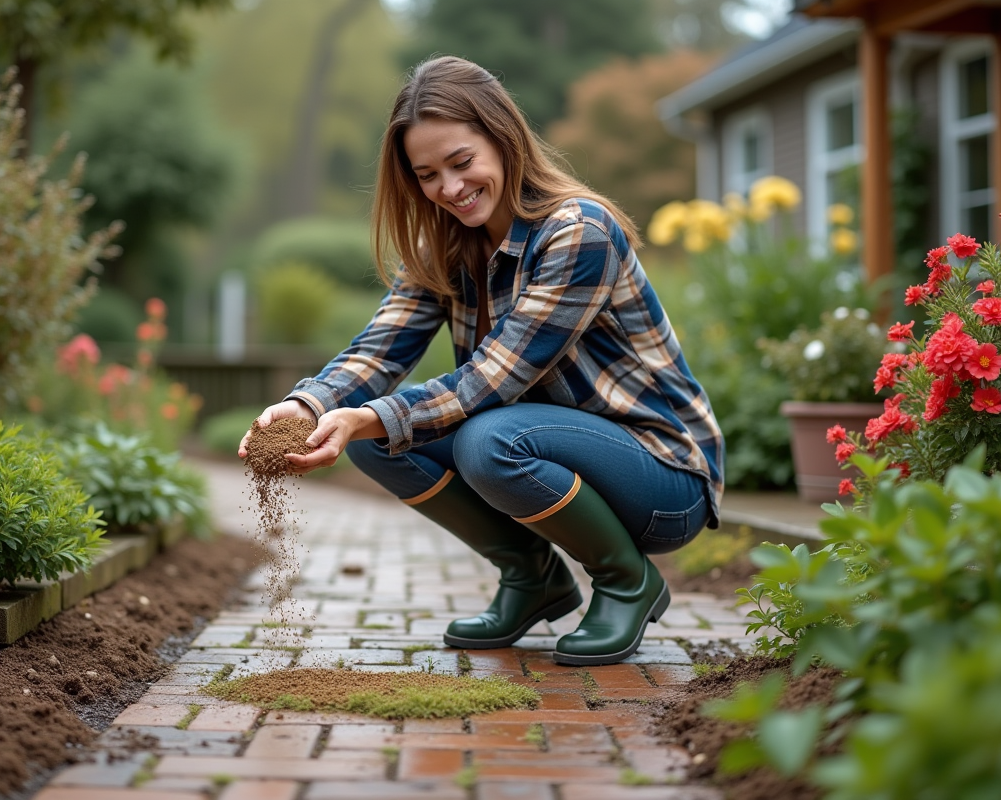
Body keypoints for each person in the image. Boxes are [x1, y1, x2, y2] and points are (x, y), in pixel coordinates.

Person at [238, 55, 724, 667]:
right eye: (427, 174)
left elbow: (494, 377)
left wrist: (372, 415)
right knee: (375, 436)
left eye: (462, 162)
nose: (449, 187)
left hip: (662, 476)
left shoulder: (578, 232)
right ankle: (531, 577)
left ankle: (626, 579)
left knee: (485, 439)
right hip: (552, 447)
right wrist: (306, 406)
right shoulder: (441, 244)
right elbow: (380, 348)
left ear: (503, 138)